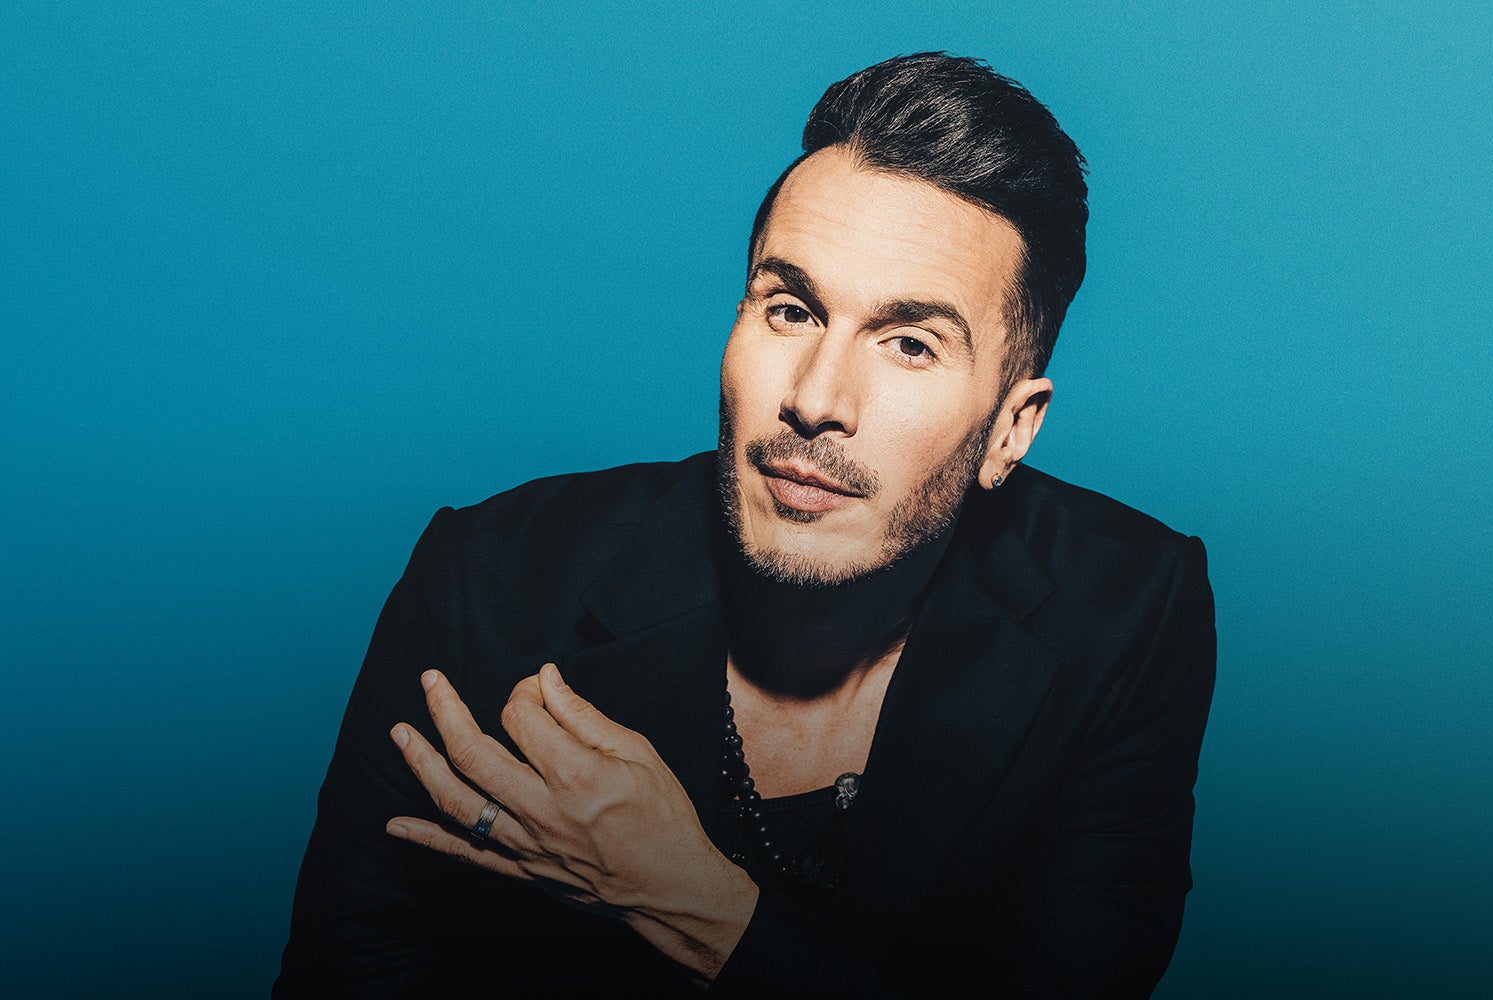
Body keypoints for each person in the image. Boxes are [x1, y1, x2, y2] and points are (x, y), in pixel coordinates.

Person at [274, 52, 1215, 998]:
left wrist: (693, 905)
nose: (815, 400)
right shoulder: (492, 582)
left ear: (1010, 429)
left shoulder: (1127, 614)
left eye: (909, 344)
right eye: (792, 310)